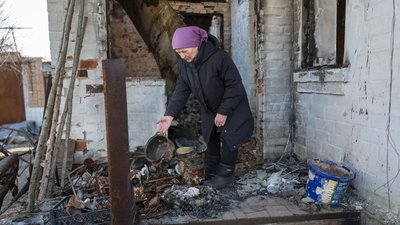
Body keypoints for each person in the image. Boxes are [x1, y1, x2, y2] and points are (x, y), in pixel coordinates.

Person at [157, 26, 254, 189]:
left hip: (232, 105)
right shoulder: (184, 66)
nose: (182, 56)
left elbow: (235, 85)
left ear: (196, 44)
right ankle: (212, 169)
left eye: (185, 51)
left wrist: (223, 111)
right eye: (178, 52)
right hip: (209, 107)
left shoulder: (219, 58)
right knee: (211, 136)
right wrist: (169, 115)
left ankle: (225, 174)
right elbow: (181, 90)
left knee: (230, 138)